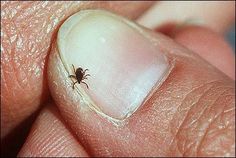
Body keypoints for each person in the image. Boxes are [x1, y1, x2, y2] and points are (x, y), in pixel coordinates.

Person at [1, 1, 235, 157]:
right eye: (80, 77)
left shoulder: (79, 76)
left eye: (80, 77)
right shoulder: (81, 76)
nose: (81, 78)